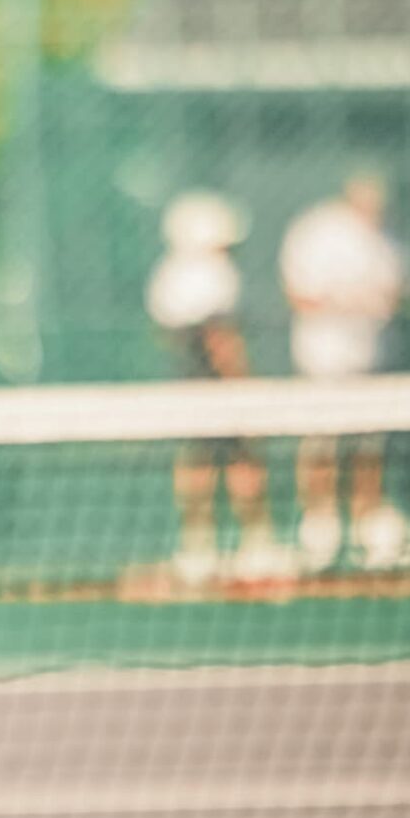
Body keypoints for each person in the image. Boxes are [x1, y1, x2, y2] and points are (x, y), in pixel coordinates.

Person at [146, 191, 290, 588]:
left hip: (187, 383)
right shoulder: (215, 274)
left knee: (197, 463)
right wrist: (243, 385)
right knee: (243, 461)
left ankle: (198, 548)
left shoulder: (167, 274)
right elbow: (220, 338)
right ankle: (256, 545)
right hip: (217, 385)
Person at [280, 173, 410, 570]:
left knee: (368, 447)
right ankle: (319, 530)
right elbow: (300, 295)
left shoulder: (391, 240)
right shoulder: (316, 232)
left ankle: (367, 527)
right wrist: (347, 303)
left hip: (372, 362)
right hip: (321, 363)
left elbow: (398, 296)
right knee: (321, 444)